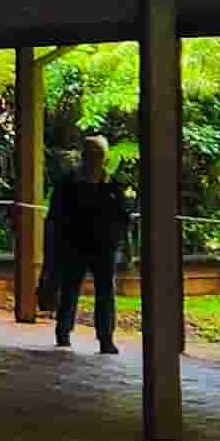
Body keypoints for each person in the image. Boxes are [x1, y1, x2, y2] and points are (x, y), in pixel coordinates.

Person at [41, 138, 126, 355]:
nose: (92, 159)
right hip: (74, 243)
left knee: (105, 292)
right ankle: (63, 330)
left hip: (103, 246)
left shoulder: (112, 185)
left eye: (96, 155)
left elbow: (122, 216)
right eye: (89, 154)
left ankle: (106, 338)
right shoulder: (68, 184)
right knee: (70, 288)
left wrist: (117, 240)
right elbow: (56, 216)